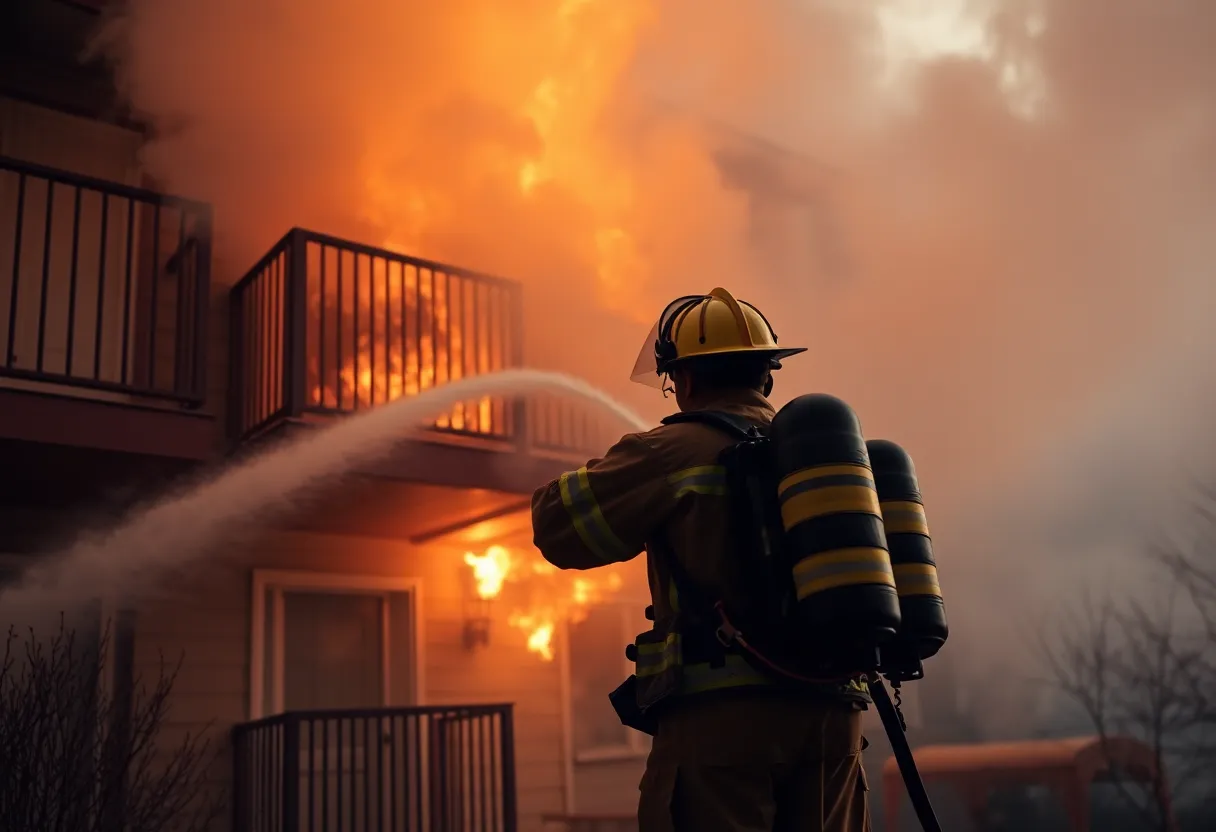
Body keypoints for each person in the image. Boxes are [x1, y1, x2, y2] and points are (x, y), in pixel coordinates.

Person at [531, 288, 872, 832]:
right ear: (767, 375)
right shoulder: (825, 458)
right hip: (835, 717)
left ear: (684, 380)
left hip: (724, 719)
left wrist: (625, 468)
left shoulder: (672, 450)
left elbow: (558, 530)